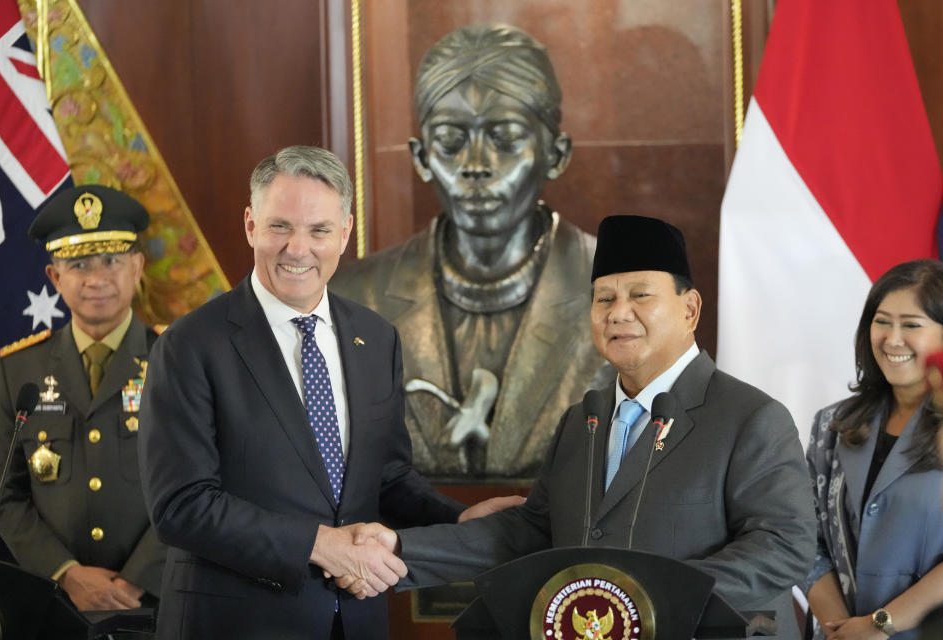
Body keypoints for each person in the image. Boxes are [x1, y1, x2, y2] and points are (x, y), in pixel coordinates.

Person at [339, 215, 817, 637]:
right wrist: (399, 547)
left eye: (640, 295)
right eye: (604, 297)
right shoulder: (583, 419)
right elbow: (529, 533)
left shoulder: (750, 417)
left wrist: (649, 601)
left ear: (689, 309)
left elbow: (784, 546)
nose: (618, 312)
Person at [137, 145, 521, 640]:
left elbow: (384, 476)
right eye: (280, 227)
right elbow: (181, 506)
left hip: (354, 622)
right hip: (235, 623)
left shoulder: (376, 338)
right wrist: (319, 545)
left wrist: (459, 516)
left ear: (345, 233)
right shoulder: (189, 344)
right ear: (251, 225)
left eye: (319, 230)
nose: (298, 249)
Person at [330, 24, 613, 479]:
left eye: (504, 138)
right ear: (421, 158)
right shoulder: (354, 299)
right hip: (405, 543)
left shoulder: (620, 293)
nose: (476, 166)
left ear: (555, 154)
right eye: (449, 141)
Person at [0, 185, 166, 611]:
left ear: (137, 266)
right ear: (54, 277)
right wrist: (65, 573)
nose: (97, 278)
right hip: (53, 603)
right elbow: (0, 491)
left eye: (112, 260)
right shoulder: (18, 370)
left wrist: (136, 582)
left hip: (157, 603)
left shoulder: (176, 361)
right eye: (79, 263)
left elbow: (203, 486)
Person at [803, 259, 943, 640]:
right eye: (882, 321)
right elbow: (802, 533)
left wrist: (878, 625)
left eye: (912, 324)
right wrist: (841, 631)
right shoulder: (832, 423)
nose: (892, 339)